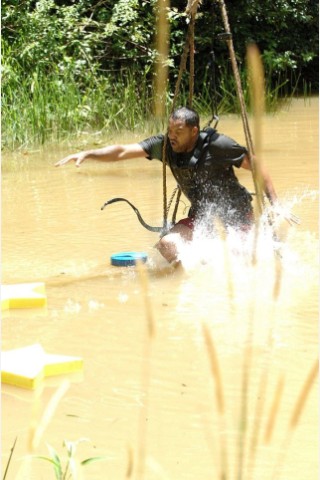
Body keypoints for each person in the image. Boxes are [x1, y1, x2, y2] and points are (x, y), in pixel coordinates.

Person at [55, 106, 295, 264]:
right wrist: (89, 153)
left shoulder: (218, 146)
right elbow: (122, 152)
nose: (172, 135)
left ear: (193, 131)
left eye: (178, 131)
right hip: (202, 215)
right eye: (169, 130)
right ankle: (183, 283)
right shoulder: (165, 147)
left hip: (236, 213)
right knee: (167, 245)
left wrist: (276, 204)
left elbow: (258, 166)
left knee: (245, 260)